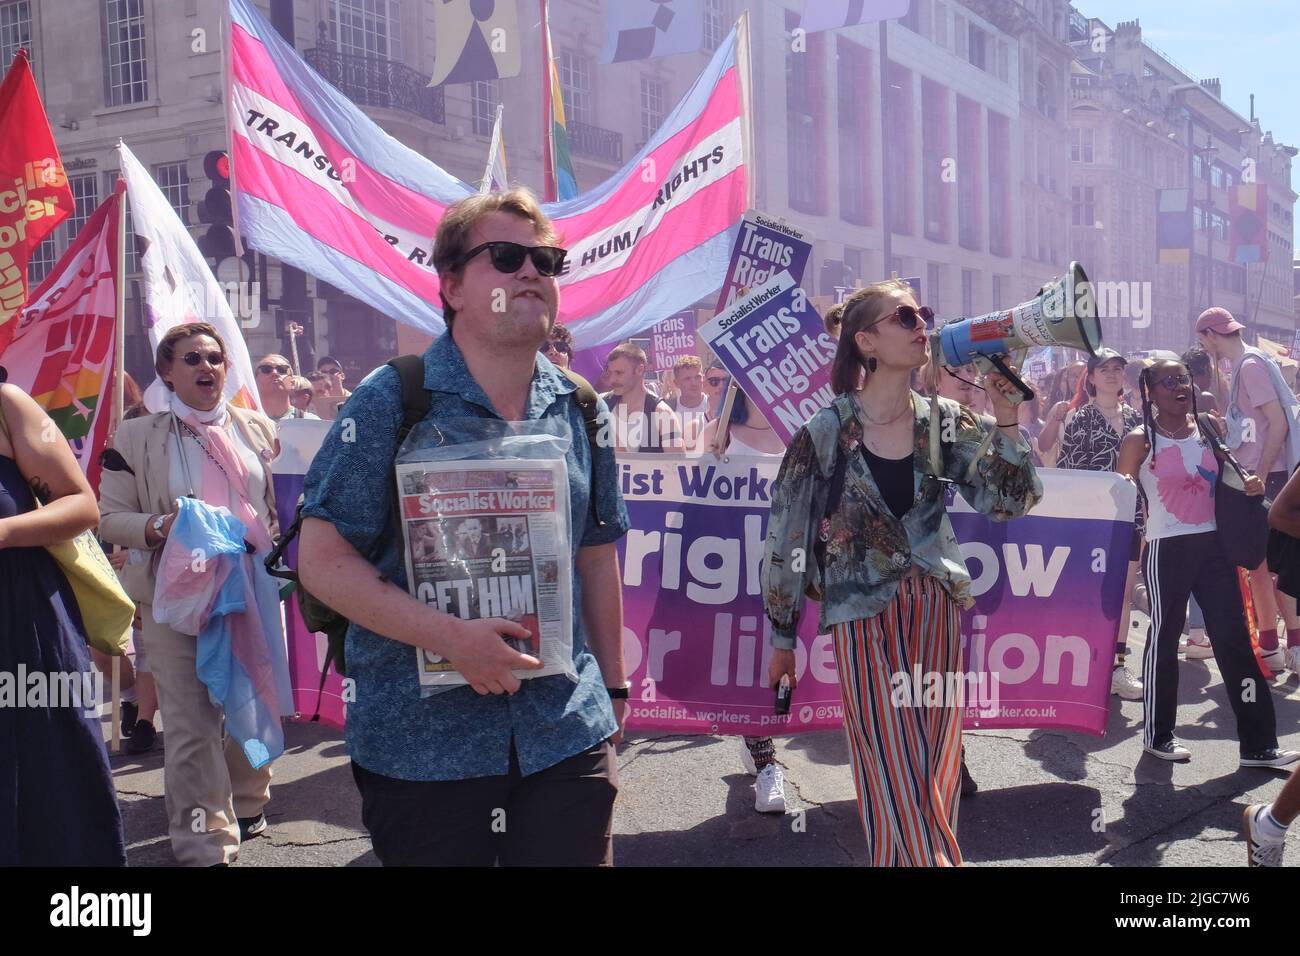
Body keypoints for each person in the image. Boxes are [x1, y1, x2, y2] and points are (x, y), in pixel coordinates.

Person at [296, 188, 631, 867]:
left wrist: (615, 694)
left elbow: (596, 555)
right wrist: (453, 639)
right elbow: (322, 560)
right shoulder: (392, 398)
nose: (532, 272)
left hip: (563, 733)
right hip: (422, 748)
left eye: (547, 259)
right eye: (507, 257)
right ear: (451, 285)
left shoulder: (582, 406)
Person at [764, 279, 1041, 867]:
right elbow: (787, 534)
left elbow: (1010, 500)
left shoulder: (945, 422)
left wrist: (1008, 418)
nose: (923, 326)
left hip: (935, 610)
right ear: (865, 340)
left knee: (936, 760)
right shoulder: (826, 430)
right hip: (861, 618)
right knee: (886, 759)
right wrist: (783, 633)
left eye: (925, 314)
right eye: (906, 316)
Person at [98, 322, 281, 866]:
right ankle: (204, 841)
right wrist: (161, 526)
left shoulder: (257, 428)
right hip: (174, 598)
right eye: (193, 359)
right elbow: (109, 519)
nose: (207, 368)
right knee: (192, 722)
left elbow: (272, 506)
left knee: (252, 700)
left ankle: (247, 800)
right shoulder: (133, 438)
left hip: (249, 588)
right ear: (166, 372)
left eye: (215, 358)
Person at [1117, 359, 1297, 769]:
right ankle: (1158, 736)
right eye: (1169, 381)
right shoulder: (1140, 440)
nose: (1180, 386)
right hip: (1167, 549)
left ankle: (1258, 744)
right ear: (1150, 392)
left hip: (1215, 547)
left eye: (1184, 379)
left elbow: (1230, 474)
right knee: (1163, 639)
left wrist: (1248, 482)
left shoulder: (1208, 427)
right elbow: (1119, 497)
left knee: (1233, 642)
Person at [0, 377, 127, 866]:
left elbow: (81, 505)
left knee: (49, 777)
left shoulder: (6, 405)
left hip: (21, 622)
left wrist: (5, 531)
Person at [697, 386, 790, 812]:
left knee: (786, 662)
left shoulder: (801, 430)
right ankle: (765, 757)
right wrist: (707, 460)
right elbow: (697, 501)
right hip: (733, 567)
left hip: (790, 566)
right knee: (750, 663)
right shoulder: (719, 432)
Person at [1197, 307, 1300, 673]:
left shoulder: (1251, 365)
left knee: (1267, 565)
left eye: (1203, 338)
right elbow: (1260, 424)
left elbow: (1277, 423)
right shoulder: (1247, 364)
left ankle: (1280, 646)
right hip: (1264, 475)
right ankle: (1276, 646)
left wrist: (1256, 472)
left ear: (1210, 335)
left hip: (1265, 476)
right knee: (1266, 565)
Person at [1058, 349, 1145, 700]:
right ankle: (1086, 662)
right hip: (1092, 521)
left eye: (1117, 368)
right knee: (1091, 595)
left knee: (1123, 595)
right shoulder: (1080, 419)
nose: (1112, 374)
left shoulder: (1138, 418)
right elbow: (1067, 471)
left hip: (1131, 517)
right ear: (1091, 377)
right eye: (1104, 369)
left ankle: (1117, 667)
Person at [600, 343, 680, 453]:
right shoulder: (601, 405)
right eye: (610, 373)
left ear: (639, 370)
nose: (612, 379)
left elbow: (678, 465)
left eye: (619, 373)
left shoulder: (662, 413)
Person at [1037, 360, 1086, 466]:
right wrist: (1057, 417)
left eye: (1081, 374)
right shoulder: (1060, 407)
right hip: (1067, 474)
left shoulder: (1102, 407)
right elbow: (1043, 446)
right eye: (1073, 375)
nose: (1077, 379)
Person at [667, 356, 712, 452]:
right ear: (676, 383)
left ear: (703, 378)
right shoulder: (668, 409)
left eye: (697, 377)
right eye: (687, 379)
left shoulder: (714, 407)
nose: (694, 383)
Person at [255, 353, 317, 421]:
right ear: (255, 380)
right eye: (266, 369)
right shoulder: (244, 423)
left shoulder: (311, 423)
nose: (275, 373)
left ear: (292, 383)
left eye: (282, 370)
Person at [313, 355, 352, 421]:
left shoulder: (353, 399)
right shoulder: (314, 401)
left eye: (333, 371)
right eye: (323, 372)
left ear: (342, 376)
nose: (328, 374)